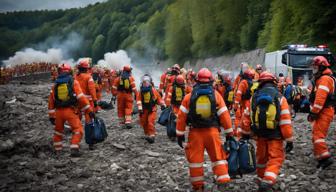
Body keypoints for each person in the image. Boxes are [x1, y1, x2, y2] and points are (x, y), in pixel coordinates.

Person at [176, 68, 233, 191]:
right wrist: (229, 133)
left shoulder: (189, 97)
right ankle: (223, 180)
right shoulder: (216, 95)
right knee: (218, 157)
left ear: (196, 80)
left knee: (195, 161)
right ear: (211, 80)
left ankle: (198, 186)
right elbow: (225, 116)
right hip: (212, 132)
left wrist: (180, 135)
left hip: (195, 133)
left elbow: (181, 117)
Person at [241, 71, 293, 192]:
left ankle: (261, 179)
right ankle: (268, 180)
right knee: (275, 158)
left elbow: (247, 116)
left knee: (261, 159)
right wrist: (289, 139)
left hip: (259, 135)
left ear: (260, 83)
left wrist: (245, 133)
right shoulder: (280, 98)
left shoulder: (254, 97)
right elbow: (285, 121)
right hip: (275, 136)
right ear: (274, 82)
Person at [48, 63, 94, 157]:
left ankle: (58, 150)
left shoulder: (55, 85)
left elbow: (51, 102)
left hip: (58, 112)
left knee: (58, 131)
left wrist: (52, 116)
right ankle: (74, 147)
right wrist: (89, 111)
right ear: (70, 71)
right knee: (78, 129)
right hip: (71, 111)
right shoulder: (73, 82)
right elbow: (81, 98)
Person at [308, 56, 335, 169]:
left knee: (318, 135)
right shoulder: (322, 78)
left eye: (315, 66)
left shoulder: (324, 79)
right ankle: (321, 158)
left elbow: (320, 98)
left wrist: (314, 112)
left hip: (325, 110)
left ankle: (325, 158)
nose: (313, 68)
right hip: (323, 110)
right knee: (316, 134)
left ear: (321, 66)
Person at [136, 74, 165, 143]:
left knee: (150, 121)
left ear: (150, 82)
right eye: (144, 82)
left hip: (152, 109)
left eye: (147, 82)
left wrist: (162, 105)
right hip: (143, 110)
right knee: (144, 122)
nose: (146, 84)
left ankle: (152, 136)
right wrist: (140, 109)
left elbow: (159, 99)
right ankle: (147, 134)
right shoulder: (140, 92)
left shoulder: (153, 91)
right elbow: (138, 100)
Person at [233, 69, 255, 138]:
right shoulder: (253, 83)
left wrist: (235, 106)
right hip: (251, 102)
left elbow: (238, 94)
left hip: (244, 103)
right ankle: (249, 133)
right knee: (250, 118)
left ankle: (239, 133)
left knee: (240, 118)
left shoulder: (243, 82)